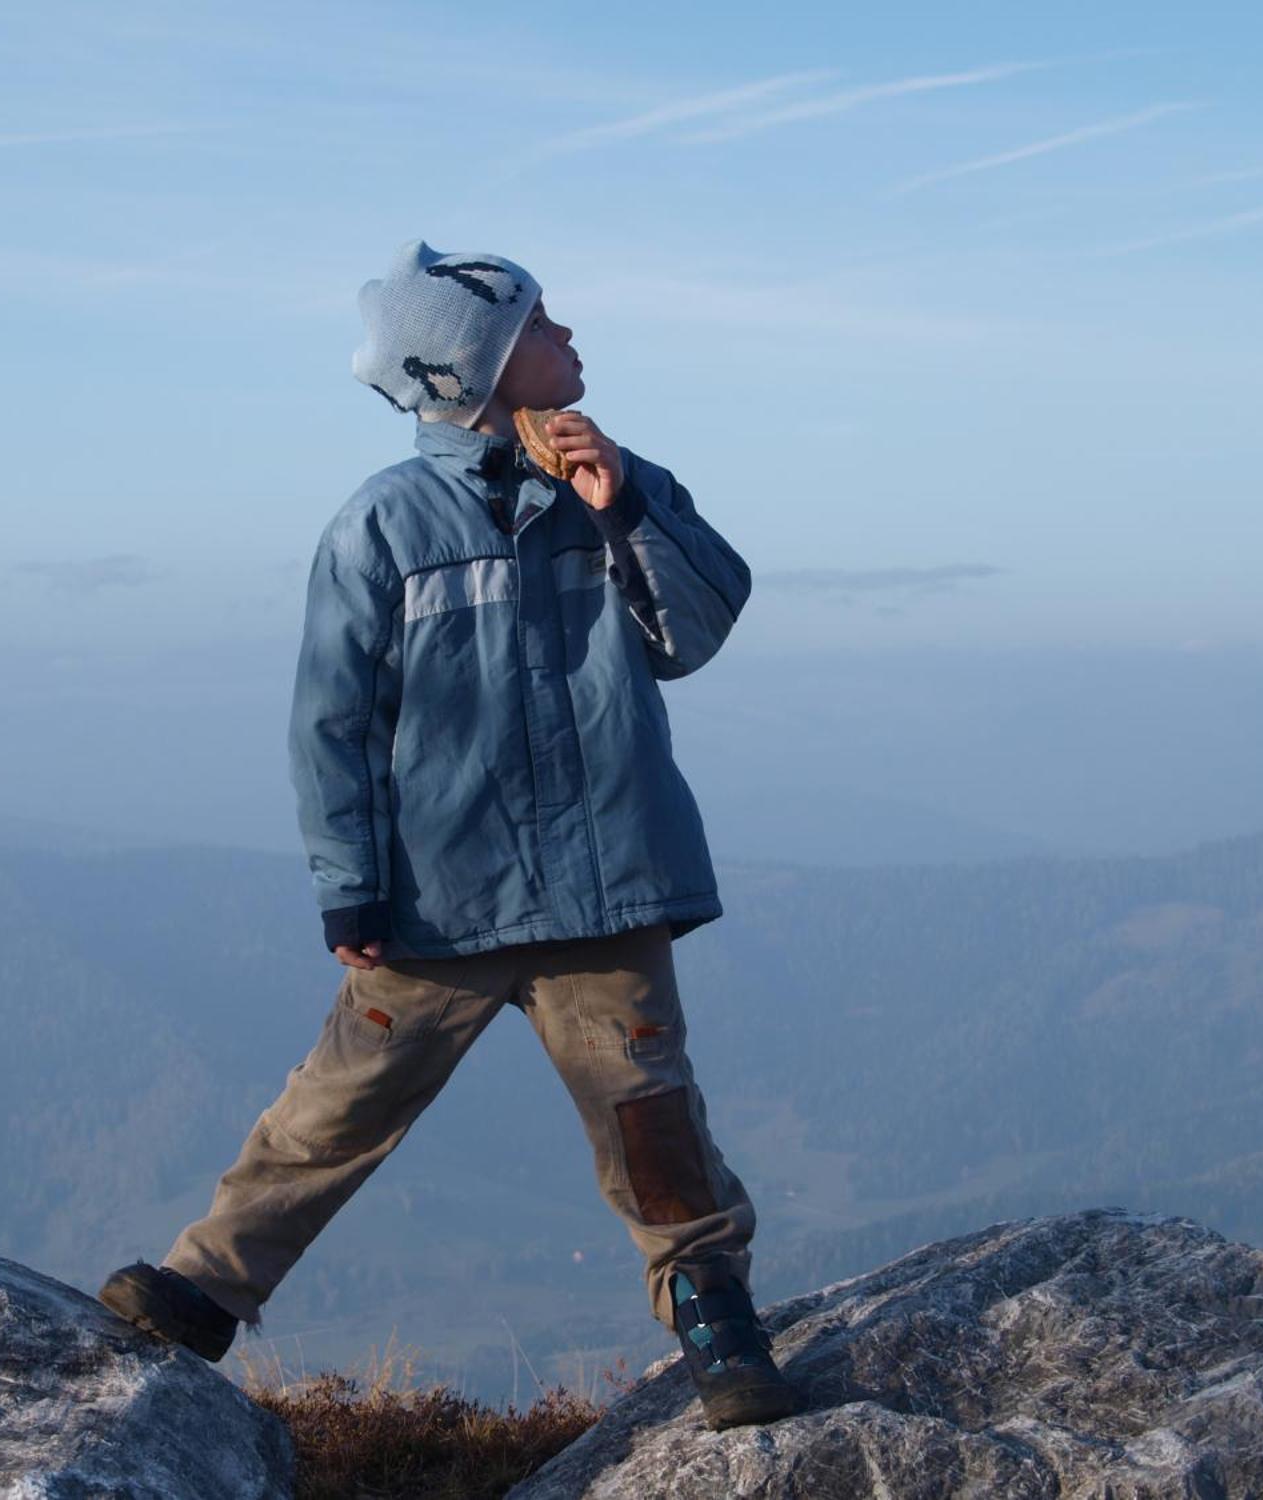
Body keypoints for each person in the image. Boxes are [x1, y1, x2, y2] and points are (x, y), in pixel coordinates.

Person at [98, 240, 802, 1430]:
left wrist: (623, 500)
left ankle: (715, 1322)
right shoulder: (382, 525)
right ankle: (201, 1292)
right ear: (474, 371)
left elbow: (697, 629)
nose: (570, 336)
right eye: (541, 323)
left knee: (652, 1122)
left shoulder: (614, 485)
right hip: (439, 899)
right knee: (338, 1103)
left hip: (602, 897)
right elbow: (332, 722)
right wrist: (349, 889)